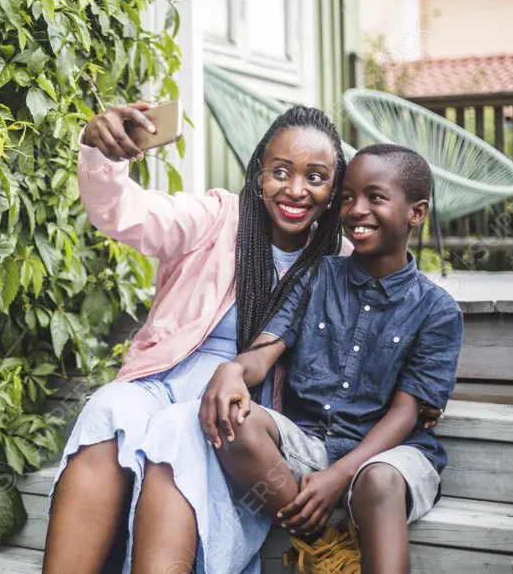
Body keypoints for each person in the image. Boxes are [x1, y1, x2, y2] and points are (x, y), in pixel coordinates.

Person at [43, 100, 353, 574]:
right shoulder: (216, 217)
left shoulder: (338, 258)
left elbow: (393, 305)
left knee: (182, 428)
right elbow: (125, 213)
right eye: (280, 172)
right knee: (108, 406)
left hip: (241, 412)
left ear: (334, 190)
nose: (295, 189)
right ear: (258, 173)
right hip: (160, 382)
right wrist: (100, 154)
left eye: (315, 177)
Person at [193, 143, 464, 574]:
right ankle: (327, 548)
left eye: (375, 197)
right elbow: (264, 353)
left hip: (389, 454)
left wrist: (340, 475)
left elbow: (405, 414)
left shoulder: (436, 310)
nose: (356, 210)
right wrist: (231, 369)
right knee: (232, 419)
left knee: (377, 482)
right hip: (310, 444)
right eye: (348, 197)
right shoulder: (316, 275)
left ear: (416, 213)